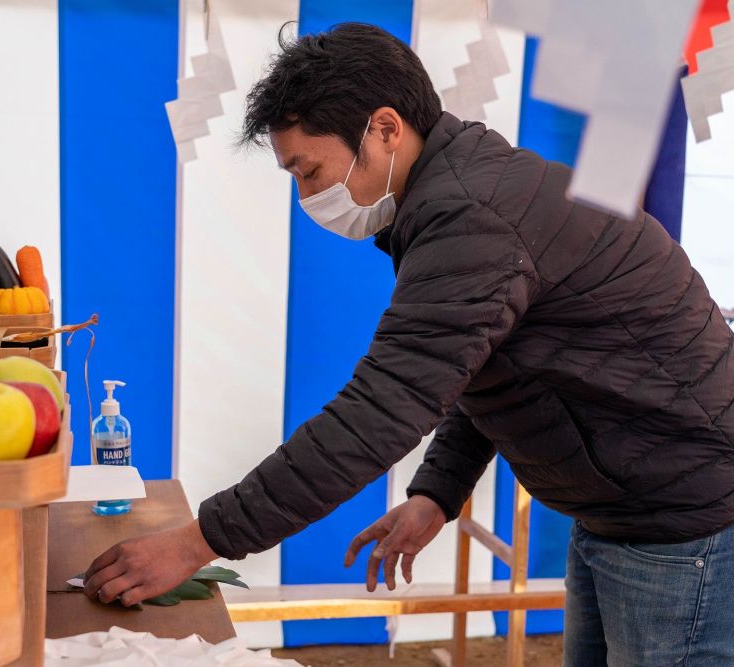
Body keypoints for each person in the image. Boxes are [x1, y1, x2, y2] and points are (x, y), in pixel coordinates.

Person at [83, 22, 734, 665]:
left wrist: (198, 540)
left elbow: (379, 411)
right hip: (625, 507)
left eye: (309, 171)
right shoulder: (461, 193)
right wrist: (434, 494)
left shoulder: (474, 216)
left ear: (386, 129)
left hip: (682, 519)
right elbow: (489, 366)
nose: (308, 196)